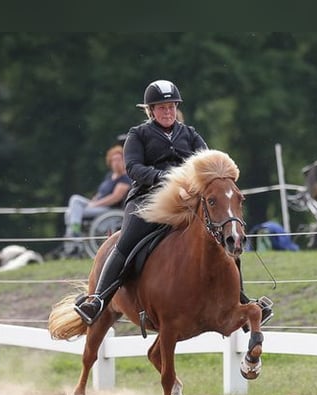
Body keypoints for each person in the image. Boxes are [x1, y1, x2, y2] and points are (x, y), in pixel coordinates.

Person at [74, 79, 274, 329]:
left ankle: (239, 299)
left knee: (222, 239)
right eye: (161, 107)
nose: (167, 112)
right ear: (151, 110)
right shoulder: (138, 134)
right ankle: (98, 300)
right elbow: (133, 168)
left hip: (185, 202)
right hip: (147, 201)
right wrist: (162, 177)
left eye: (171, 107)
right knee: (126, 242)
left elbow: (208, 166)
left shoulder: (190, 134)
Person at [60, 146, 132, 257]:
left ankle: (75, 237)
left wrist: (94, 205)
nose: (116, 163)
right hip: (97, 204)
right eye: (114, 160)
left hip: (108, 209)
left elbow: (115, 197)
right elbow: (100, 193)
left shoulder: (125, 178)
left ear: (124, 160)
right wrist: (92, 202)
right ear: (110, 162)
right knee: (74, 201)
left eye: (119, 159)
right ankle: (74, 237)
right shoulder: (109, 176)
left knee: (72, 212)